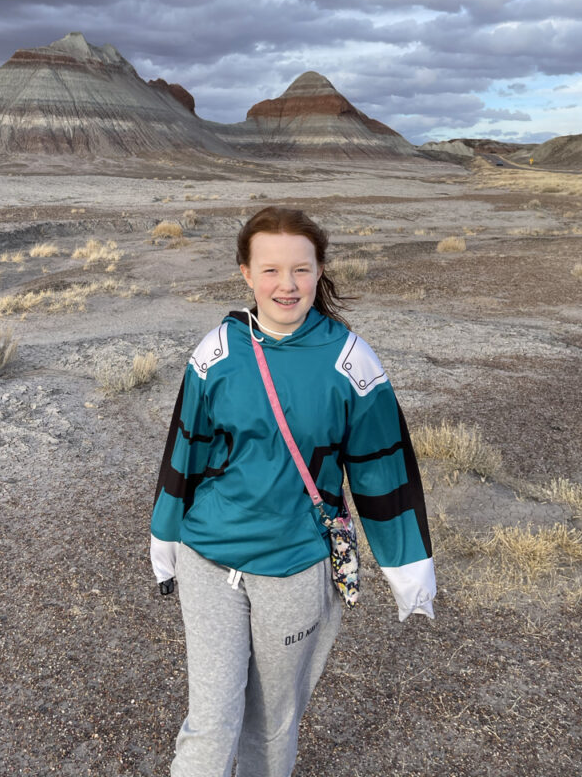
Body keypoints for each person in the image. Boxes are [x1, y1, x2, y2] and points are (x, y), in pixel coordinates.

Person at [150, 206, 436, 777]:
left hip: (296, 569)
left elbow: (382, 466)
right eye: (271, 270)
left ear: (319, 270)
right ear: (245, 273)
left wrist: (407, 564)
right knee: (211, 722)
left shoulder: (351, 362)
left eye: (301, 270)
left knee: (271, 724)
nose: (287, 285)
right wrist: (165, 537)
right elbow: (186, 449)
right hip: (210, 559)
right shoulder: (215, 353)